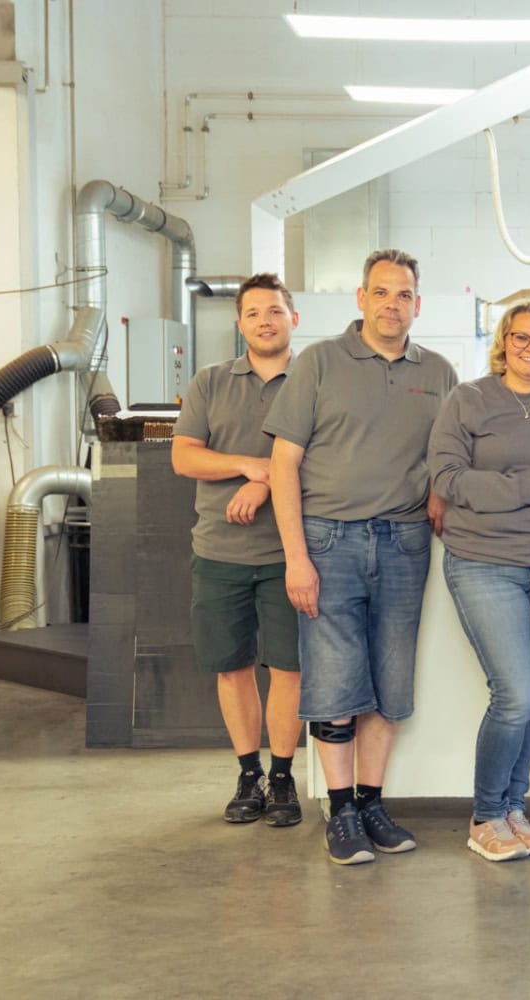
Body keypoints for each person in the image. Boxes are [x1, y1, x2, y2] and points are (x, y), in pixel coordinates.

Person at [265, 249, 458, 866]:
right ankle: (341, 810)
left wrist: (438, 491)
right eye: (381, 292)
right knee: (334, 680)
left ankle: (372, 804)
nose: (391, 304)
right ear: (360, 298)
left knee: (389, 681)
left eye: (403, 295)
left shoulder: (440, 373)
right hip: (329, 541)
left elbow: (449, 454)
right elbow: (283, 465)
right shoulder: (319, 363)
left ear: (417, 304)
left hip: (404, 542)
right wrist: (297, 558)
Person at [428, 300, 530, 863]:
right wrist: (527, 490)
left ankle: (514, 808)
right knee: (515, 695)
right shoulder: (468, 398)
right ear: (504, 341)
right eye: (522, 338)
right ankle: (486, 816)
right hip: (484, 561)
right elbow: (446, 477)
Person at [172, 273, 303, 827]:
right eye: (253, 313)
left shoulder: (315, 380)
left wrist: (264, 483)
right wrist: (249, 466)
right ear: (240, 324)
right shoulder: (210, 382)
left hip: (290, 553)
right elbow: (184, 457)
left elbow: (326, 458)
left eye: (274, 311)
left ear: (293, 317)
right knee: (232, 668)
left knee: (290, 669)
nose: (264, 321)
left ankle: (282, 777)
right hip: (219, 552)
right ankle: (249, 774)